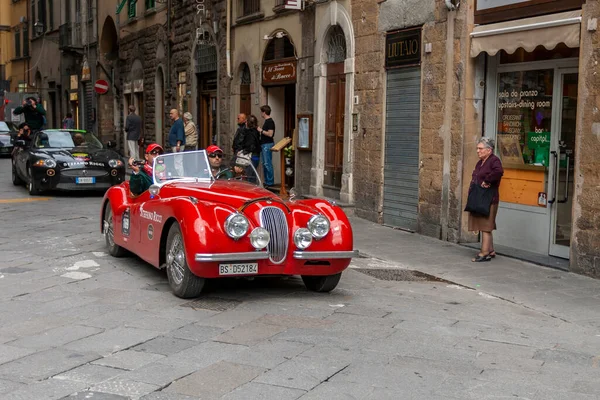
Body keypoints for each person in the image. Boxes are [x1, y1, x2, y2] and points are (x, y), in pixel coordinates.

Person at [468, 137, 504, 262]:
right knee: (485, 225)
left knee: (486, 227)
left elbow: (499, 172)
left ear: (489, 150)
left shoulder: (494, 161)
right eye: (477, 148)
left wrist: (487, 180)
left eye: (480, 148)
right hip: (480, 197)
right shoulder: (480, 162)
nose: (478, 151)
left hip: (489, 199)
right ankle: (491, 250)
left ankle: (484, 253)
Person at [257, 105, 275, 187]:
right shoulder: (267, 121)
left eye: (261, 111)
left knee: (267, 163)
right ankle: (267, 181)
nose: (261, 113)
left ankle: (270, 182)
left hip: (267, 144)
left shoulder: (270, 121)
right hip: (264, 144)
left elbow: (270, 134)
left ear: (264, 112)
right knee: (265, 163)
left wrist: (261, 130)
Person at [168, 109, 185, 175]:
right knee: (177, 162)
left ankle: (181, 176)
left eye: (171, 113)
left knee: (178, 162)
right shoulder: (176, 122)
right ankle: (179, 176)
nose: (170, 115)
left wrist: (178, 144)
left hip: (177, 145)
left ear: (176, 114)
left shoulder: (179, 122)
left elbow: (179, 133)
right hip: (175, 145)